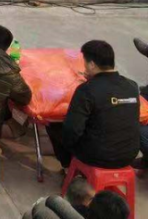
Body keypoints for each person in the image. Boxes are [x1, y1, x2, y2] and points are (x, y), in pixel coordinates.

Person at [46, 40, 140, 169]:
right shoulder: (132, 86)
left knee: (54, 125)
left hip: (97, 156)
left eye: (85, 63)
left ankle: (68, 167)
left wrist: (69, 144)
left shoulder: (86, 90)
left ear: (91, 65)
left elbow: (72, 130)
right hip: (129, 154)